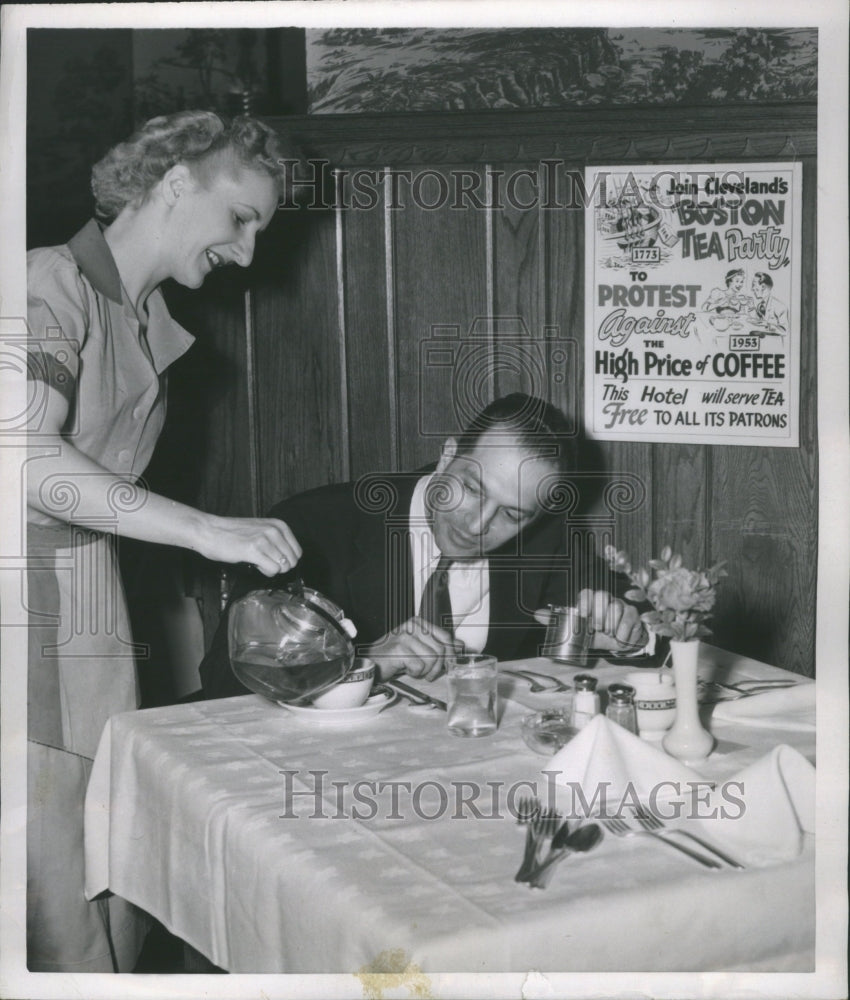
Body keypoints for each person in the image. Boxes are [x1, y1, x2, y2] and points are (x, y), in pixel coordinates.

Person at [25, 110, 305, 971]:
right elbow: (25, 462)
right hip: (22, 611)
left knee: (111, 873)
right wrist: (206, 531)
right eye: (241, 218)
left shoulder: (145, 319)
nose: (250, 253)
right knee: (53, 895)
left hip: (91, 608)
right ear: (178, 183)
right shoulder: (45, 284)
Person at [200, 393, 649, 698]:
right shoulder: (315, 526)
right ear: (448, 455)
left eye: (512, 514)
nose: (477, 523)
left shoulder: (548, 540)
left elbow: (660, 631)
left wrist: (630, 636)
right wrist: (363, 663)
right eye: (471, 488)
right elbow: (224, 682)